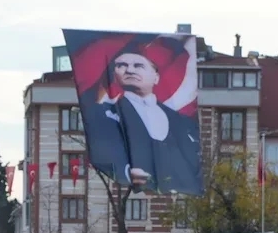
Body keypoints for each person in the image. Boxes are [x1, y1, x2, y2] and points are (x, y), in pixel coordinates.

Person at [81, 39, 202, 193]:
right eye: (121, 65)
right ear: (114, 75)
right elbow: (103, 151)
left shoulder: (181, 121)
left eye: (138, 65)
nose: (129, 70)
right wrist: (126, 173)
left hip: (180, 196)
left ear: (156, 77)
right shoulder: (104, 114)